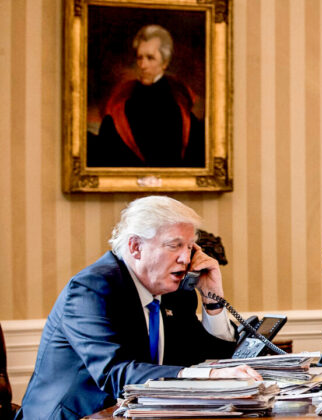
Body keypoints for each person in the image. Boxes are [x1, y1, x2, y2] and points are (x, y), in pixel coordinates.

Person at [16, 196, 261, 419]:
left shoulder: (176, 294)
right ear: (135, 247)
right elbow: (114, 373)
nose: (186, 259)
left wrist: (213, 302)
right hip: (78, 415)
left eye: (189, 247)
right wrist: (206, 376)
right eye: (174, 245)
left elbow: (208, 361)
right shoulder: (92, 288)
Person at [88, 24, 205, 167]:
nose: (142, 65)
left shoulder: (180, 100)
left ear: (165, 63)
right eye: (139, 58)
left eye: (150, 58)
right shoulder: (123, 98)